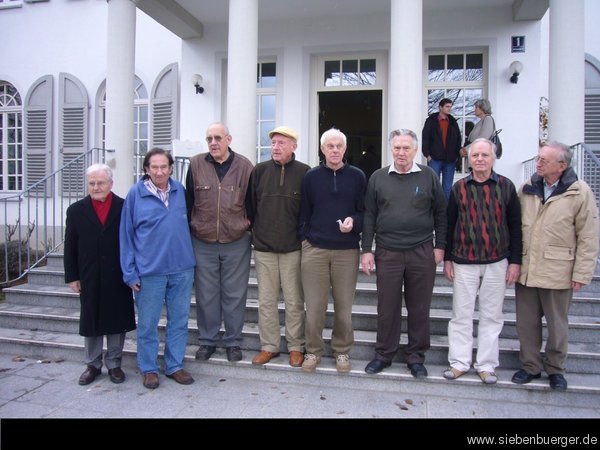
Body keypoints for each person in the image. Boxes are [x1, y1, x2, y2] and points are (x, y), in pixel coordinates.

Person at [512, 142, 599, 391]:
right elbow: (516, 226)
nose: (537, 163)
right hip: (528, 268)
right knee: (526, 324)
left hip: (558, 269)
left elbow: (588, 235)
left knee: (557, 325)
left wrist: (582, 272)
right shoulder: (527, 189)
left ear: (561, 166)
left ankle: (555, 369)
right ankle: (530, 366)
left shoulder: (579, 192)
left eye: (543, 160)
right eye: (538, 159)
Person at [361, 129, 446, 379]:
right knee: (387, 307)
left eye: (406, 148)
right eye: (397, 147)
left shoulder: (429, 176)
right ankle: (384, 355)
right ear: (391, 149)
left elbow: (441, 213)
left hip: (421, 251)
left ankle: (416, 357)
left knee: (419, 307)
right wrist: (367, 250)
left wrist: (440, 246)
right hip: (387, 252)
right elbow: (369, 215)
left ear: (415, 150)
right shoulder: (377, 178)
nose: (401, 152)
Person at [443, 138, 522, 384]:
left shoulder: (507, 187)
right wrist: (447, 258)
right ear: (469, 158)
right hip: (463, 260)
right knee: (461, 315)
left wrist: (515, 261)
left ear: (493, 158)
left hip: (497, 260)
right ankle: (459, 362)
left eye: (484, 155)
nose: (479, 159)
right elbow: (450, 224)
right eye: (475, 155)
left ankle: (486, 365)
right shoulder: (459, 188)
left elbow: (515, 226)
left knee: (491, 316)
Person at [120, 148, 196, 389]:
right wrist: (129, 271)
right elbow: (126, 235)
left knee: (179, 320)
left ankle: (174, 365)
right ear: (146, 169)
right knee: (148, 323)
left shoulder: (180, 191)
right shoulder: (135, 194)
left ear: (171, 168)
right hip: (149, 271)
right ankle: (149, 368)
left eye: (164, 166)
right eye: (154, 167)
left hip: (181, 269)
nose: (160, 171)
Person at [298, 128, 366, 373]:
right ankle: (313, 351)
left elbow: (364, 212)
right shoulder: (311, 177)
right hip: (315, 249)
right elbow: (303, 212)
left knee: (344, 308)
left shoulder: (358, 176)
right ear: (322, 149)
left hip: (346, 252)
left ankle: (342, 351)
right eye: (330, 146)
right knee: (314, 307)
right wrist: (305, 238)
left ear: (345, 149)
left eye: (339, 146)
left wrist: (354, 224)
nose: (335, 150)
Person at [186, 122, 253, 363]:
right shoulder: (195, 164)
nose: (213, 143)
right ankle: (207, 341)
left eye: (217, 138)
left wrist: (247, 228)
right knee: (206, 294)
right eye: (209, 139)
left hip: (236, 240)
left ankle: (233, 342)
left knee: (235, 294)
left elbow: (252, 204)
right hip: (202, 240)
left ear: (229, 139)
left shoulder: (245, 166)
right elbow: (189, 201)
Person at [64, 164, 136, 386]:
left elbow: (133, 242)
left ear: (110, 184)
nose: (96, 187)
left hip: (118, 274)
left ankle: (114, 364)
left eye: (100, 182)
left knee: (116, 320)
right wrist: (72, 276)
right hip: (89, 274)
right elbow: (70, 246)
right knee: (91, 319)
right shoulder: (76, 210)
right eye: (92, 183)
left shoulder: (124, 207)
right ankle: (92, 364)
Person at [246, 126, 310, 367]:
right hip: (264, 248)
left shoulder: (305, 173)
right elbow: (250, 207)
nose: (275, 147)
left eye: (282, 143)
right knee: (266, 300)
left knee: (294, 301)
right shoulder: (259, 171)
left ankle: (296, 346)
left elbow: (308, 210)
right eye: (273, 143)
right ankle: (269, 346)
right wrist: (256, 234)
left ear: (294, 146)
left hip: (293, 248)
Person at [422, 98, 462, 201]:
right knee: (433, 186)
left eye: (450, 107)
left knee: (447, 188)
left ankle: (446, 214)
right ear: (440, 107)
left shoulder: (453, 122)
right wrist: (427, 154)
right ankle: (433, 212)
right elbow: (425, 137)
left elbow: (458, 139)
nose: (449, 109)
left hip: (450, 160)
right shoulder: (431, 121)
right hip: (435, 159)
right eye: (447, 106)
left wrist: (457, 155)